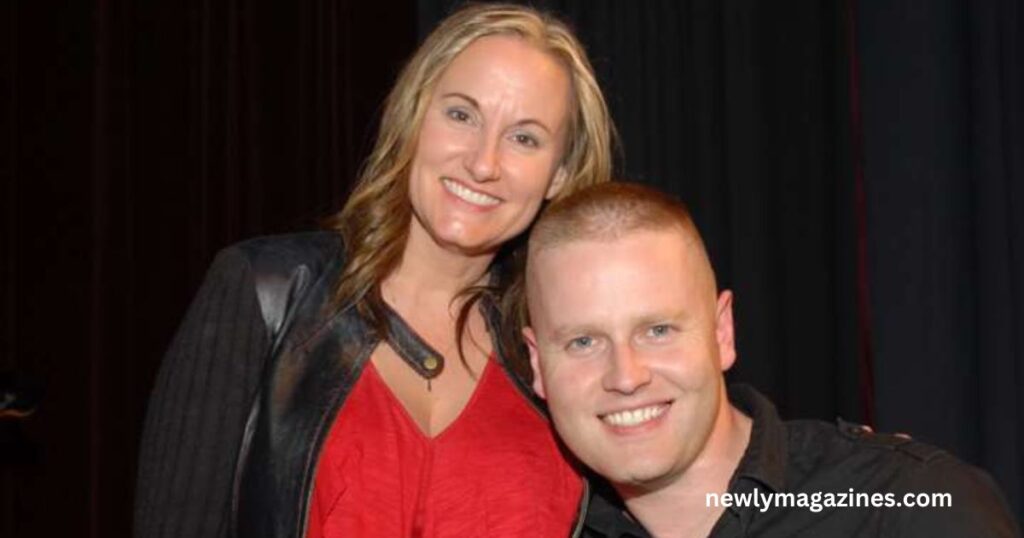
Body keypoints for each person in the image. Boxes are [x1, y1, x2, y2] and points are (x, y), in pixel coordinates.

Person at [133, 4, 615, 538]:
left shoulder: (560, 356)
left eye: (525, 138)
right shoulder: (264, 294)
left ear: (559, 174)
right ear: (413, 117)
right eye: (461, 115)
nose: (483, 163)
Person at [523, 182, 1020, 538]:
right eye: (584, 342)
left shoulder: (904, 507)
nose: (626, 376)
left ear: (722, 332)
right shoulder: (543, 527)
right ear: (538, 366)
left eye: (658, 330)